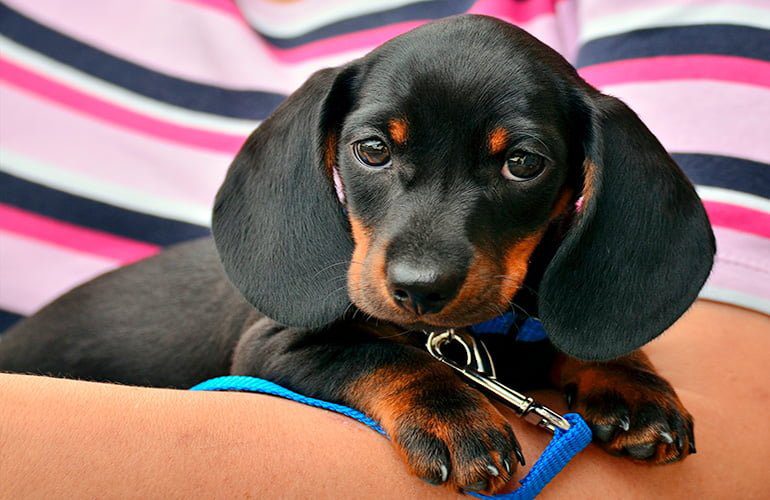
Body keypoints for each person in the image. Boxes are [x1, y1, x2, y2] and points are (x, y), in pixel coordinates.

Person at [1, 1, 768, 497]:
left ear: (582, 182)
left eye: (520, 164)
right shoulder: (314, 292)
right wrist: (417, 392)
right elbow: (282, 349)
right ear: (328, 152)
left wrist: (608, 363)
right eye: (376, 153)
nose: (420, 267)